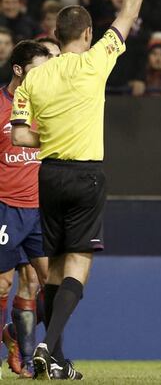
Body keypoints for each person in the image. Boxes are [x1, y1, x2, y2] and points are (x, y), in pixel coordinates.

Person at [10, 0, 154, 380]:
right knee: (78, 265)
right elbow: (129, 11)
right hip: (86, 174)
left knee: (52, 270)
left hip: (46, 176)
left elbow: (19, 138)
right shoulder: (97, 60)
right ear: (88, 33)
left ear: (55, 35)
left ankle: (51, 356)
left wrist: (48, 137)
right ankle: (48, 347)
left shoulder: (35, 79)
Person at [0, 40, 50, 379]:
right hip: (5, 208)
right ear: (19, 69)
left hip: (40, 209)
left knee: (54, 283)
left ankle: (16, 336)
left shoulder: (48, 105)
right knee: (2, 284)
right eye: (39, 70)